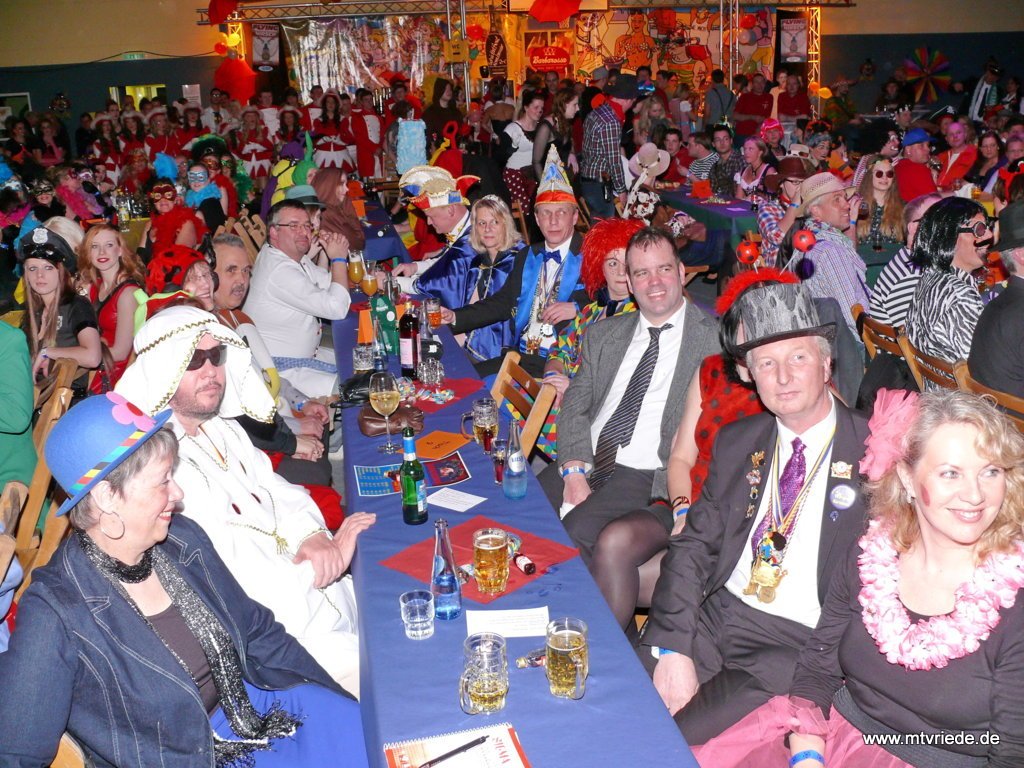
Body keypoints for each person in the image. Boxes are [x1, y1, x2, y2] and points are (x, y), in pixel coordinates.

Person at [0, 391, 369, 767]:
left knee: (374, 736)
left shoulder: (181, 539)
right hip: (191, 755)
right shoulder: (57, 610)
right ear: (107, 496)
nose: (177, 493)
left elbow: (257, 630)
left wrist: (333, 696)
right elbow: (16, 752)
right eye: (162, 482)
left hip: (255, 703)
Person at [694, 389, 1024, 767]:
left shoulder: (1015, 604)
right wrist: (807, 756)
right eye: (951, 473)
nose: (975, 495)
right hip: (833, 737)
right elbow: (818, 670)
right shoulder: (869, 556)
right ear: (907, 478)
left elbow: (1012, 753)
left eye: (990, 471)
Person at [641, 280, 869, 744]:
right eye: (766, 363)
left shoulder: (873, 453)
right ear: (749, 375)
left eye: (798, 357)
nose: (782, 377)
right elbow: (693, 546)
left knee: (672, 741)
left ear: (827, 363)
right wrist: (673, 645)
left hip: (792, 644)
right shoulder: (739, 442)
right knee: (618, 698)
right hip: (715, 612)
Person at [116, 307, 373, 696]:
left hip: (323, 591)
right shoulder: (157, 468)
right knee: (396, 683)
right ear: (163, 369)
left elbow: (278, 490)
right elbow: (240, 576)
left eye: (216, 356)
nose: (211, 371)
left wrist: (313, 536)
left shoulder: (223, 429)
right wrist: (327, 560)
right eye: (194, 360)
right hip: (287, 636)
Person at [589, 269, 780, 631]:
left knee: (636, 578)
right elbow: (680, 458)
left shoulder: (786, 389)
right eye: (748, 319)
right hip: (687, 503)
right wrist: (682, 510)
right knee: (614, 541)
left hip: (736, 524)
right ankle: (615, 653)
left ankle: (621, 652)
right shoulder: (711, 370)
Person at [537, 226, 720, 561]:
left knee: (575, 532)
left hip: (647, 470)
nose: (654, 282)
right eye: (642, 273)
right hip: (588, 454)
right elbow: (575, 405)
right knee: (524, 511)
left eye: (664, 269)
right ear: (631, 284)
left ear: (681, 272)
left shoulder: (714, 343)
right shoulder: (604, 334)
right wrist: (574, 471)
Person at [444, 149, 588, 377]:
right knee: (460, 380)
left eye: (561, 212)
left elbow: (616, 302)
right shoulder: (527, 256)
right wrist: (455, 317)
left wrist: (577, 308)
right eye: (546, 213)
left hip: (563, 363)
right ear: (537, 219)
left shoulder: (590, 255)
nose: (553, 221)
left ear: (575, 217)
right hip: (521, 356)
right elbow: (502, 303)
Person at [244, 199, 351, 398]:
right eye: (293, 226)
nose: (303, 232)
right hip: (280, 372)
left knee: (359, 360)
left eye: (307, 226)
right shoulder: (279, 270)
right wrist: (338, 258)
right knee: (353, 388)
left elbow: (325, 282)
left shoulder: (289, 257)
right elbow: (337, 308)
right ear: (274, 232)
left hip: (307, 355)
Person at [904, 197, 989, 377]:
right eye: (979, 230)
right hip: (959, 394)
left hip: (936, 388)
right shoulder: (961, 296)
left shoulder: (929, 278)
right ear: (950, 237)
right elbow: (982, 371)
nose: (988, 236)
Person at [18, 227, 101, 388]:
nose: (39, 275)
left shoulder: (77, 305)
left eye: (48, 267)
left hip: (68, 398)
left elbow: (93, 357)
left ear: (61, 272)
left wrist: (47, 352)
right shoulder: (34, 312)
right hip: (34, 394)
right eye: (32, 268)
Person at [793, 172, 868, 335]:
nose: (847, 205)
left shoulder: (806, 243)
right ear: (816, 211)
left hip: (824, 336)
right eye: (837, 199)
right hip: (851, 343)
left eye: (845, 198)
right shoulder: (830, 252)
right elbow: (854, 317)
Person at [77, 224, 145, 393]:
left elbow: (121, 352)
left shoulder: (128, 293)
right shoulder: (94, 287)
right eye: (95, 246)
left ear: (120, 250)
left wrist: (74, 354)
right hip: (97, 367)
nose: (102, 252)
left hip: (116, 376)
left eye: (109, 245)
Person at [391, 164, 478, 295]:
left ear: (450, 210)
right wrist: (415, 267)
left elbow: (439, 285)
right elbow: (446, 263)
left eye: (431, 216)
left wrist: (392, 282)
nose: (428, 222)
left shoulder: (470, 241)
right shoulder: (462, 228)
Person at [968, 201, 1024, 398]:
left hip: (992, 411)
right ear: (1021, 255)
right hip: (1013, 416)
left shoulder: (999, 303)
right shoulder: (1018, 314)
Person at [867, 193, 942, 327]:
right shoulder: (910, 277)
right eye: (936, 219)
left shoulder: (915, 262)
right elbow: (915, 336)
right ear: (914, 228)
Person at [580, 74, 639, 218]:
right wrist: (622, 190)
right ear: (628, 100)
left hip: (589, 178)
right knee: (606, 225)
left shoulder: (598, 111)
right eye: (633, 101)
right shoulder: (611, 121)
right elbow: (613, 160)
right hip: (598, 183)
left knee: (598, 224)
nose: (633, 105)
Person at [757, 155, 812, 265]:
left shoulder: (810, 208)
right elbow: (777, 237)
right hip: (779, 270)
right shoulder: (768, 208)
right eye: (796, 182)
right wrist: (795, 203)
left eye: (803, 182)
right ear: (781, 183)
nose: (800, 187)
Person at [501, 89, 545, 217]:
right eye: (536, 107)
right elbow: (499, 157)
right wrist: (513, 147)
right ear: (526, 107)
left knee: (538, 209)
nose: (539, 111)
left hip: (533, 174)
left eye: (541, 108)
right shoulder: (512, 129)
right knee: (524, 212)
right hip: (516, 176)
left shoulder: (542, 128)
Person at [139, 178, 204, 255]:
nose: (163, 200)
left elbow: (179, 256)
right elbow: (140, 254)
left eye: (168, 195)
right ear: (154, 202)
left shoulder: (185, 222)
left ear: (175, 199)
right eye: (158, 196)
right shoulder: (149, 225)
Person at [855, 154, 905, 250]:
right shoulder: (856, 206)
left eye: (889, 174)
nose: (884, 178)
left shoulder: (903, 207)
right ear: (869, 176)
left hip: (892, 258)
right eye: (879, 173)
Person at [311, 166, 366, 251]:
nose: (347, 189)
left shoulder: (330, 206)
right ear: (329, 186)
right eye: (341, 184)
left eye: (346, 184)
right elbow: (358, 243)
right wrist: (351, 204)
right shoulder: (327, 212)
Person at [533, 88, 579, 178]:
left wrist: (572, 152)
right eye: (575, 105)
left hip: (563, 178)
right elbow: (536, 162)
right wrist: (544, 184)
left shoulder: (565, 122)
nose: (578, 108)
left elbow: (570, 140)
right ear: (564, 105)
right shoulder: (546, 128)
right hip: (550, 180)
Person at [895, 128, 940, 203]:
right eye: (921, 145)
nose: (928, 149)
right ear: (908, 150)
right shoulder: (918, 169)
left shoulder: (897, 166)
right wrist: (956, 193)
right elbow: (935, 201)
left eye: (928, 145)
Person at [935, 119, 978, 191]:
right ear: (946, 138)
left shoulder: (976, 154)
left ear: (965, 135)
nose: (955, 136)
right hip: (935, 194)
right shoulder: (940, 157)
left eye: (958, 132)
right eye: (951, 134)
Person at [734, 136, 777, 201]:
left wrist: (759, 195)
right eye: (745, 149)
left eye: (750, 149)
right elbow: (738, 199)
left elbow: (773, 199)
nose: (746, 152)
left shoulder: (769, 171)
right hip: (746, 207)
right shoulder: (742, 172)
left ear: (760, 152)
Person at [733, 74, 774, 140]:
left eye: (762, 82)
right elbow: (735, 116)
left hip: (759, 135)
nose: (759, 85)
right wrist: (752, 117)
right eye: (756, 82)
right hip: (743, 133)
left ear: (764, 84)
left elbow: (766, 117)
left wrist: (757, 132)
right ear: (752, 84)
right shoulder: (745, 97)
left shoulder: (769, 97)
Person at [709, 124, 744, 198]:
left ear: (731, 141)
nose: (722, 143)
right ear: (713, 144)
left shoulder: (741, 160)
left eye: (725, 139)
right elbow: (711, 190)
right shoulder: (715, 167)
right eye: (718, 140)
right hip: (722, 202)